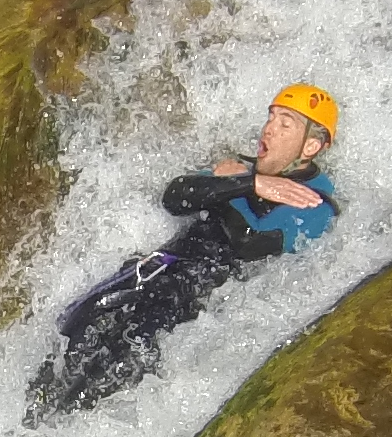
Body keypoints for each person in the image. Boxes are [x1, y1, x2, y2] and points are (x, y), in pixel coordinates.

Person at [34, 85, 339, 414]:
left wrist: (236, 187)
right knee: (70, 326)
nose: (269, 128)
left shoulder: (316, 203)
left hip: (189, 307)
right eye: (271, 116)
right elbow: (175, 197)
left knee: (100, 379)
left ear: (310, 146)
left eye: (285, 123)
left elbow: (249, 242)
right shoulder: (244, 171)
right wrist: (246, 183)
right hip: (156, 269)